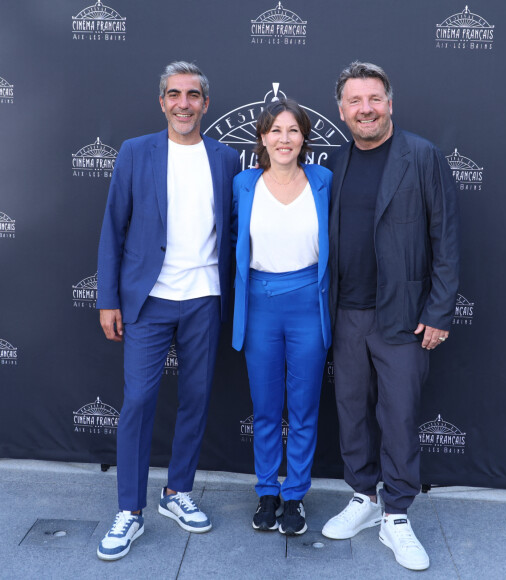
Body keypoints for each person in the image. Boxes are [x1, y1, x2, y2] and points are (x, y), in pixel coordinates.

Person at [96, 61, 240, 561]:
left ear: (205, 103)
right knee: (138, 402)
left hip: (204, 297)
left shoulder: (226, 159)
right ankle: (130, 511)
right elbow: (113, 228)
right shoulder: (136, 153)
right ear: (162, 102)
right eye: (174, 94)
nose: (183, 103)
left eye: (193, 95)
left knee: (196, 398)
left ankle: (177, 492)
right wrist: (108, 299)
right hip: (147, 300)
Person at [321, 62, 459, 571]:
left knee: (398, 416)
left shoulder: (421, 156)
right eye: (355, 102)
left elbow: (445, 239)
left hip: (403, 315)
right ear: (341, 110)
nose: (366, 109)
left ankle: (396, 513)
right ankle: (363, 496)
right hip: (346, 313)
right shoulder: (334, 163)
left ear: (390, 103)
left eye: (374, 99)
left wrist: (440, 309)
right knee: (352, 409)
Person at [232, 99, 332, 536]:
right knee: (266, 407)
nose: (284, 139)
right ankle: (267, 492)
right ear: (263, 138)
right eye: (276, 131)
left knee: (305, 406)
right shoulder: (243, 183)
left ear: (304, 138)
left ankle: (295, 497)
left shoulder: (324, 180)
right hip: (260, 302)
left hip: (310, 300)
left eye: (293, 131)